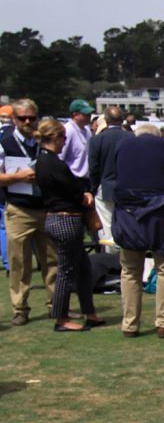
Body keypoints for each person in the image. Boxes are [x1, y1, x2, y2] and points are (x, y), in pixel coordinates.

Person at [111, 123, 164, 338]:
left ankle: (130, 324)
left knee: (130, 270)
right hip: (157, 211)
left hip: (126, 212)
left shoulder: (122, 147)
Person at [33, 120, 103, 332]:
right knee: (66, 270)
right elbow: (72, 191)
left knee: (82, 268)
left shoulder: (42, 162)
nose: (65, 143)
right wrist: (85, 198)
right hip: (65, 219)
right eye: (63, 138)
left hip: (56, 218)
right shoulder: (54, 163)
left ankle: (89, 312)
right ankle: (61, 317)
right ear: (55, 137)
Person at [2, 99, 56, 324]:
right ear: (14, 119)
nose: (27, 122)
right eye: (22, 118)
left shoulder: (43, 141)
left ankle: (56, 304)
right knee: (20, 263)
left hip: (45, 208)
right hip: (19, 209)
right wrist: (17, 177)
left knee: (53, 261)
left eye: (31, 118)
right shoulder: (5, 142)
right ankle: (20, 308)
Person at [88, 105, 132, 240]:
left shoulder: (97, 139)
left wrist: (93, 188)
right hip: (128, 187)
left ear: (106, 120)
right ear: (122, 119)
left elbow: (93, 168)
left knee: (106, 225)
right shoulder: (132, 137)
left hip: (105, 186)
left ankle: (109, 257)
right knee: (127, 223)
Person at [59, 99, 94, 183]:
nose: (89, 116)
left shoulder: (87, 130)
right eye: (86, 114)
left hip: (87, 179)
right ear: (75, 115)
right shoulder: (68, 130)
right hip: (73, 179)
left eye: (90, 113)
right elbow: (60, 158)